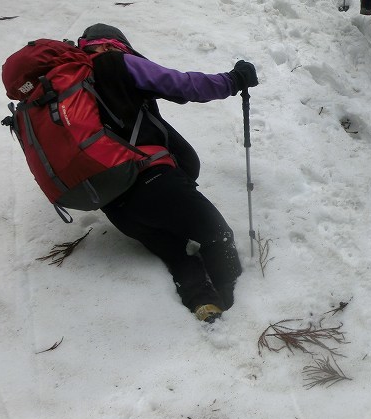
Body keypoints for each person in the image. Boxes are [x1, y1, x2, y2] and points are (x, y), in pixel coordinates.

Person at [77, 23, 259, 323]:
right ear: (111, 44)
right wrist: (233, 80)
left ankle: (204, 305)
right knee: (217, 236)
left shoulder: (64, 91)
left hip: (115, 204)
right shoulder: (114, 62)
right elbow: (182, 85)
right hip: (154, 182)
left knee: (177, 252)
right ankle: (247, 308)